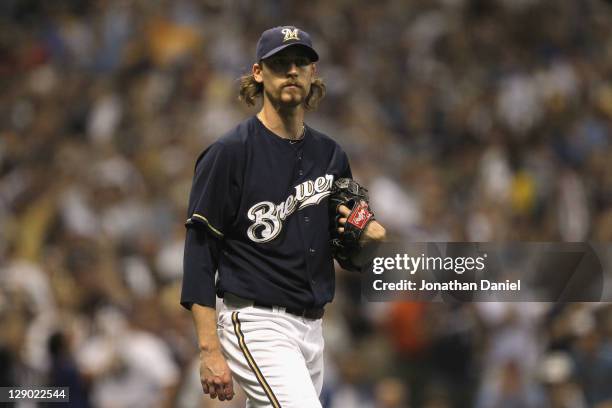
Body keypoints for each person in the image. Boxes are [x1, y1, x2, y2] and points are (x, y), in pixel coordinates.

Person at [180, 25, 386, 407]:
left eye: (300, 63)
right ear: (258, 73)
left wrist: (369, 237)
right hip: (257, 322)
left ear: (313, 74)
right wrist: (209, 350)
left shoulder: (331, 155)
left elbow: (348, 248)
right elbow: (199, 253)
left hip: (313, 328)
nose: (292, 71)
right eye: (280, 64)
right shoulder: (230, 153)